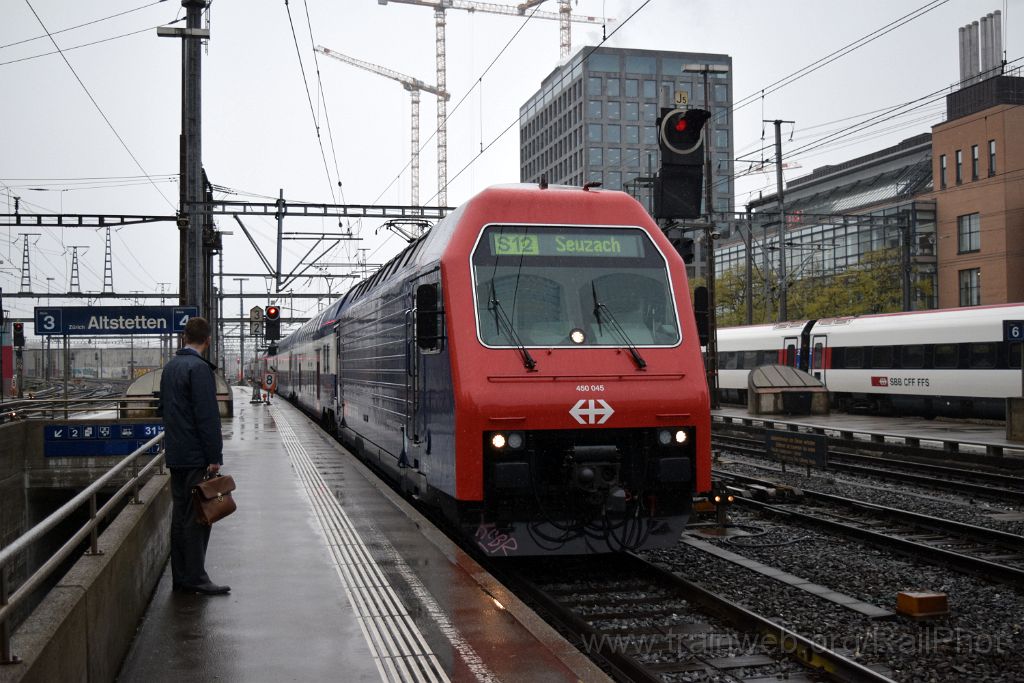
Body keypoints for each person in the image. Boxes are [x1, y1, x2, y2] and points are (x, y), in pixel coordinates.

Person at [159, 316, 230, 595]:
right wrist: (214, 457)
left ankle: (182, 577)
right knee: (199, 518)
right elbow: (207, 417)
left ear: (184, 338)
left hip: (177, 454)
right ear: (207, 341)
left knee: (181, 517)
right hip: (194, 456)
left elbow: (164, 408)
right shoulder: (199, 369)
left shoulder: (170, 367)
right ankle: (196, 578)